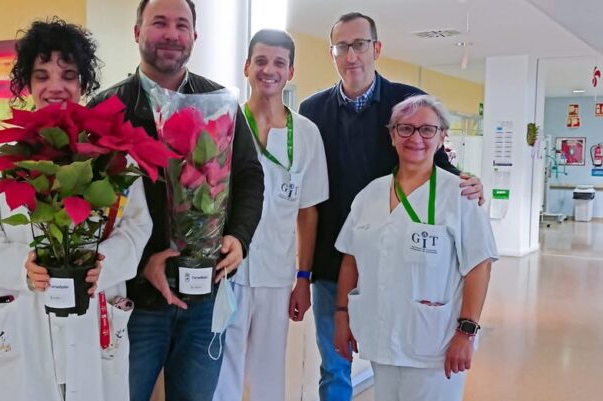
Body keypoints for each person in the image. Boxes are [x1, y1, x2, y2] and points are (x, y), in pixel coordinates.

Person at [0, 18, 151, 401]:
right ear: (27, 85)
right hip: (24, 321)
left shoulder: (111, 157)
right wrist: (19, 265)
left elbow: (137, 226)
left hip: (94, 318)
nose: (55, 86)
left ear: (84, 85)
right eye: (41, 76)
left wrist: (105, 261)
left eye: (69, 75)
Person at [297, 12, 484, 400]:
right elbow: (307, 195)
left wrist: (468, 181)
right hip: (336, 262)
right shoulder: (313, 112)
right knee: (335, 365)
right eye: (342, 46)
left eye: (360, 44)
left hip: (400, 262)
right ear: (333, 54)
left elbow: (433, 157)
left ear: (376, 49)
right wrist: (302, 272)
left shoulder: (405, 101)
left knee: (398, 359)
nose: (352, 55)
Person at [88, 1, 264, 400]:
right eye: (159, 23)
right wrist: (140, 262)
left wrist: (239, 236)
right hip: (133, 303)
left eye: (182, 25)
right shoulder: (105, 110)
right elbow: (90, 210)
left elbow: (250, 176)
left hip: (205, 299)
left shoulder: (219, 102)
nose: (171, 34)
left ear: (194, 38)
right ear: (137, 33)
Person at [333, 94, 496, 401]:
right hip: (381, 336)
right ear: (392, 135)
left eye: (427, 130)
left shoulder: (460, 195)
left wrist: (466, 332)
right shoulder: (369, 195)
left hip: (435, 345)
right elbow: (350, 260)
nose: (415, 138)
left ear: (442, 136)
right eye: (405, 128)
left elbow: (479, 266)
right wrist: (342, 316)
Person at [212, 29, 328, 401]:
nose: (269, 70)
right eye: (260, 61)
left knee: (268, 375)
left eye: (279, 62)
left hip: (277, 276)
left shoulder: (307, 134)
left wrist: (303, 277)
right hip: (226, 270)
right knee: (221, 372)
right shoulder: (224, 126)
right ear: (247, 66)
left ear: (290, 71)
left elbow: (308, 213)